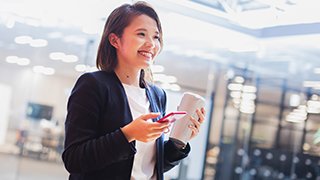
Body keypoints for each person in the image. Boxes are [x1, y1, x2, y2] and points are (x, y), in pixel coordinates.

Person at [62, 1, 205, 180]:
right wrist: (128, 134)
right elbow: (74, 159)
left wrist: (179, 141)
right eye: (141, 34)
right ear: (115, 40)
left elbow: (150, 166)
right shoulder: (93, 85)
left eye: (156, 37)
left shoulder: (157, 95)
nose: (151, 44)